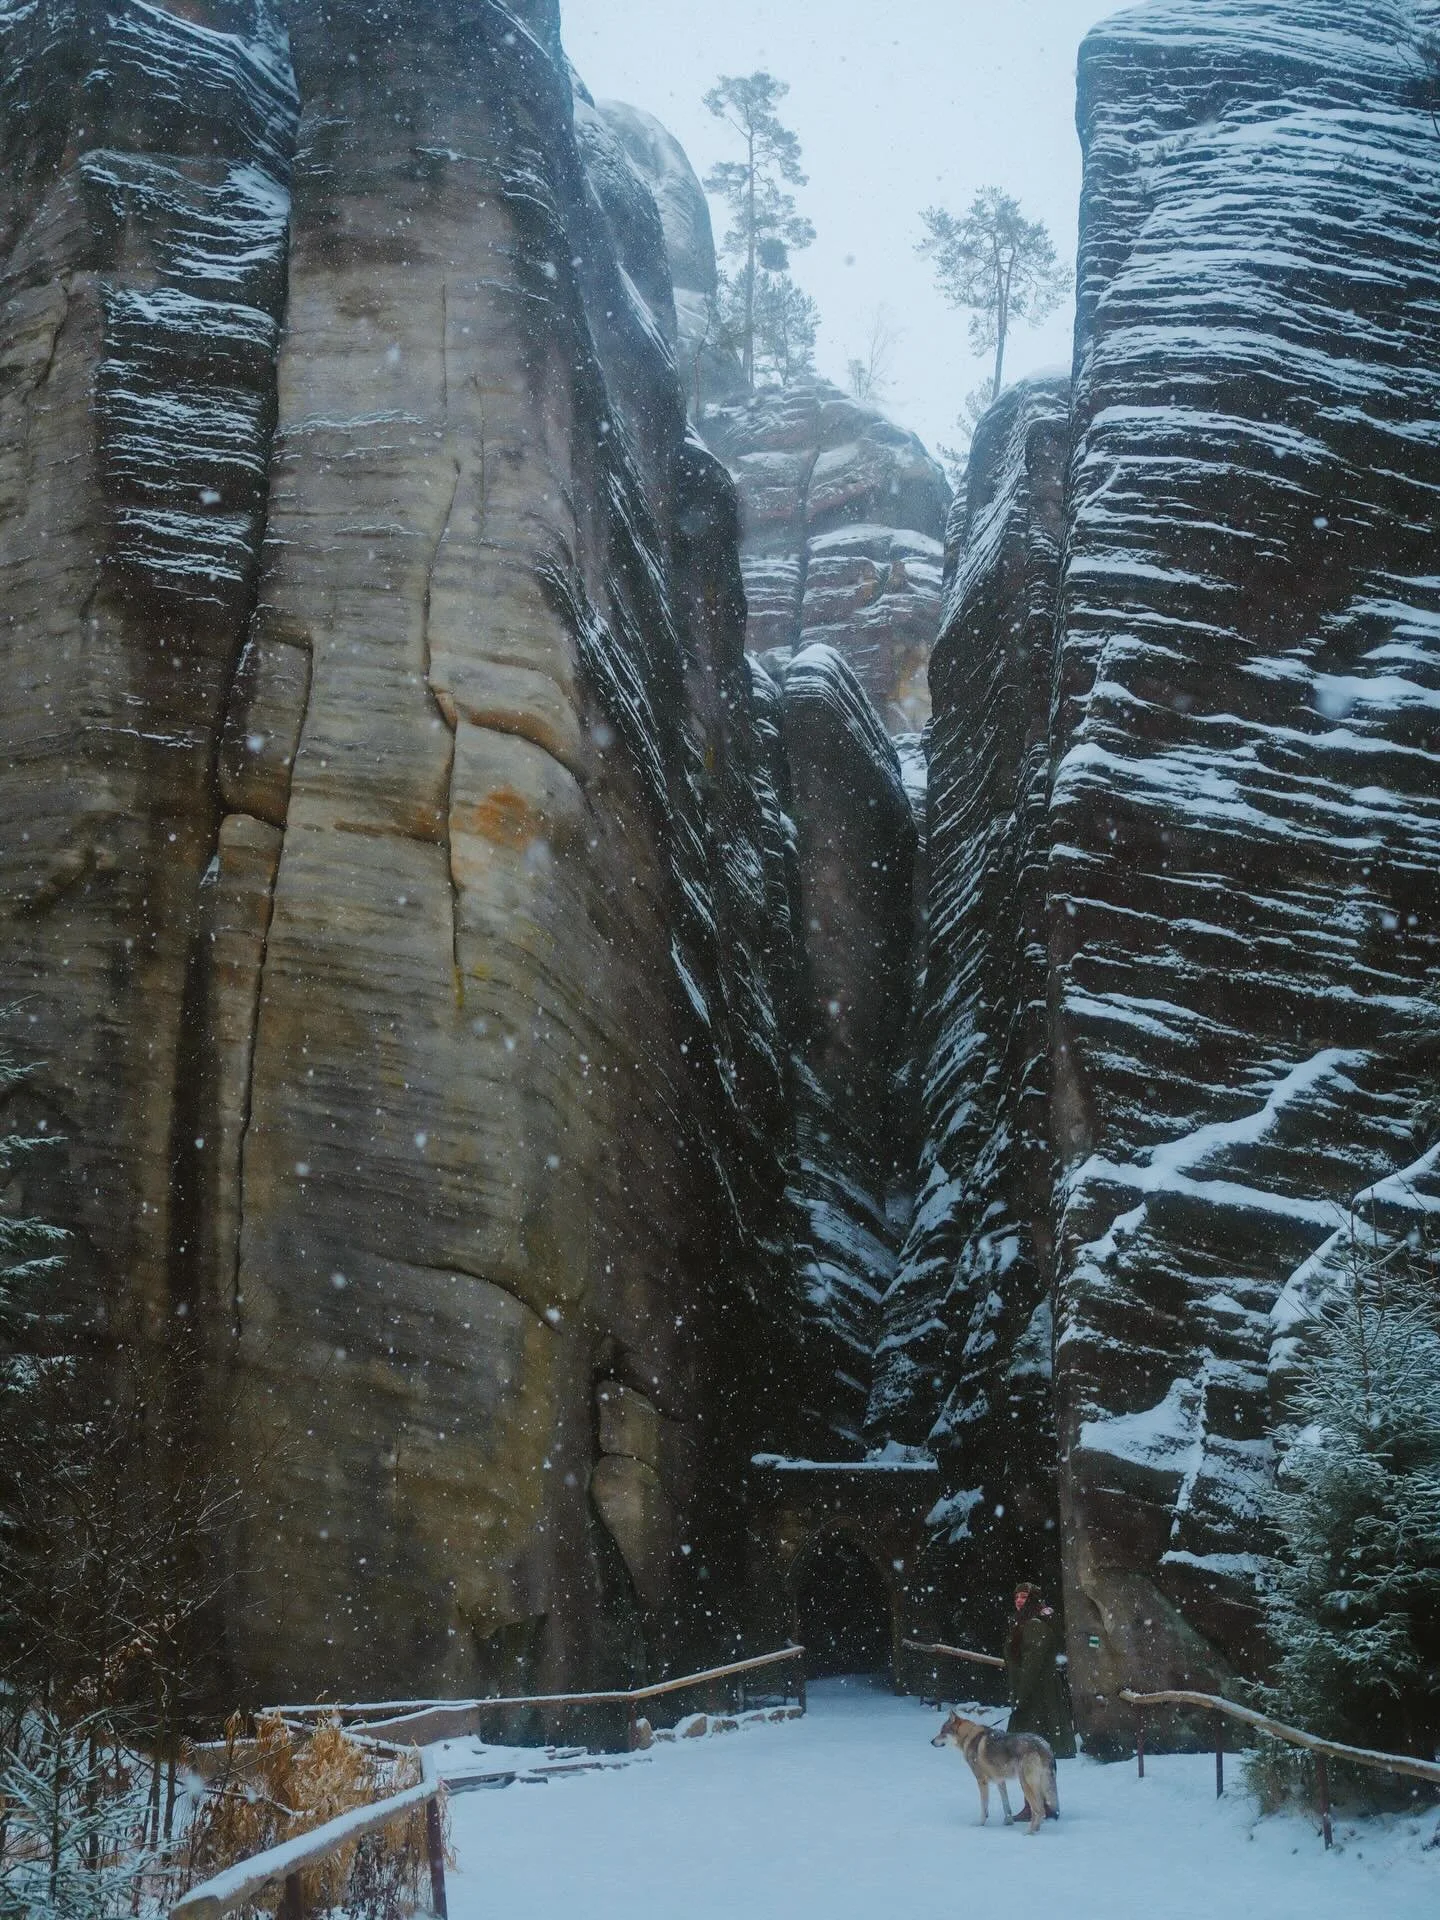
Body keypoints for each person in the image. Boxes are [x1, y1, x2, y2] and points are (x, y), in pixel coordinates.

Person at [1005, 1582, 1076, 1760]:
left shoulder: (1035, 1625)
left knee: (1032, 1752)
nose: (1019, 1601)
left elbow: (1032, 1665)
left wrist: (1021, 1697)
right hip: (1036, 1693)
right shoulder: (1024, 1622)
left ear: (1033, 1600)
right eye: (1016, 1597)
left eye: (1024, 1597)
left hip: (1038, 1695)